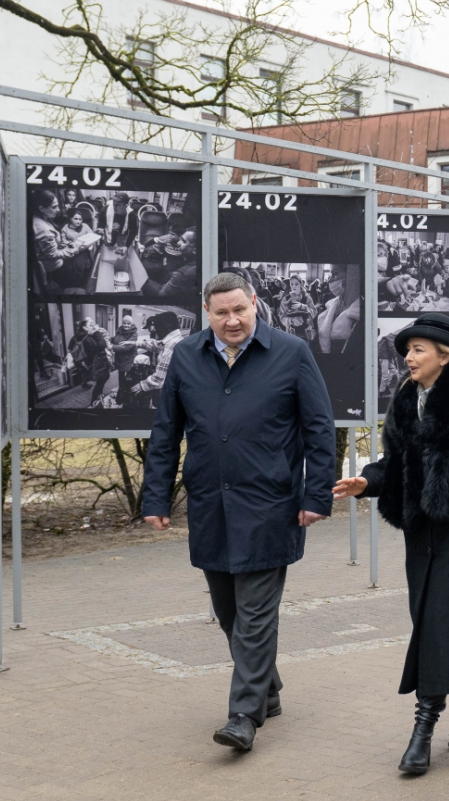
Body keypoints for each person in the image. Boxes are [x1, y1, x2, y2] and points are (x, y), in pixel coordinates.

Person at [141, 272, 334, 752]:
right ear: (206, 312)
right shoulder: (186, 356)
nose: (232, 320)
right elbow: (166, 433)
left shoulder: (291, 353)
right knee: (228, 611)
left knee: (253, 613)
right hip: (211, 504)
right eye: (221, 312)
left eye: (239, 310)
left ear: (254, 303)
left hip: (271, 505)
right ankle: (266, 687)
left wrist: (316, 496)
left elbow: (319, 429)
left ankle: (243, 715)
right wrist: (156, 498)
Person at [333, 313, 449, 776]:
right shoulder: (405, 399)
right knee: (441, 621)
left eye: (418, 350)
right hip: (423, 531)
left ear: (445, 353)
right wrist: (367, 482)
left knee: (442, 623)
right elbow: (397, 462)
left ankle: (423, 727)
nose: (409, 358)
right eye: (407, 350)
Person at [67, 318, 113, 405]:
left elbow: (70, 347)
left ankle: (92, 391)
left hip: (84, 362)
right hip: (97, 363)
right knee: (102, 380)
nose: (93, 326)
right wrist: (97, 333)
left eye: (93, 325)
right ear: (84, 327)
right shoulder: (89, 337)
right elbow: (102, 345)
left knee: (97, 378)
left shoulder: (76, 336)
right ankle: (94, 402)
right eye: (90, 325)